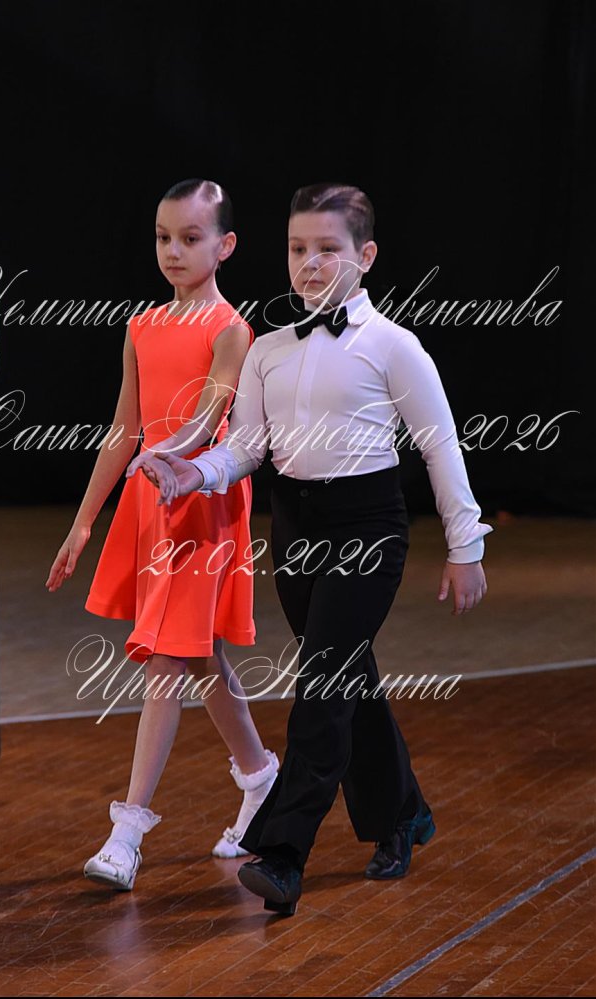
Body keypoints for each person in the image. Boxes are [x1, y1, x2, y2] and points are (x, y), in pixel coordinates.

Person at [135, 182, 494, 916]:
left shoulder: (394, 346)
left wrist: (466, 545)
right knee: (347, 678)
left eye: (328, 249)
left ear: (366, 255)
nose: (310, 262)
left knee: (322, 688)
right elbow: (246, 447)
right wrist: (193, 472)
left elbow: (440, 445)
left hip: (369, 526)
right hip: (296, 527)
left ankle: (283, 853)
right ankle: (402, 814)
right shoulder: (268, 350)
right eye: (298, 248)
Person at [45, 179, 279, 891]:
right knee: (198, 653)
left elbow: (210, 415)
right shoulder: (141, 326)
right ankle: (260, 775)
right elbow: (124, 430)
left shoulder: (232, 328)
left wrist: (169, 454)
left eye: (190, 237)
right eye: (163, 237)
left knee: (167, 659)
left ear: (225, 245)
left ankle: (128, 832)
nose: (173, 250)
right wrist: (84, 521)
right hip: (152, 500)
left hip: (202, 500)